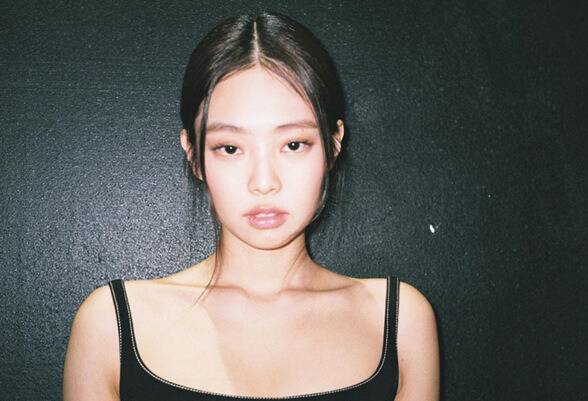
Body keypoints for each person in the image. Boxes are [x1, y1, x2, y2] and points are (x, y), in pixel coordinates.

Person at [63, 12, 439, 401]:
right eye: (230, 148)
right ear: (193, 154)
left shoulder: (400, 323)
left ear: (334, 143)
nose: (263, 181)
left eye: (294, 144)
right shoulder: (109, 327)